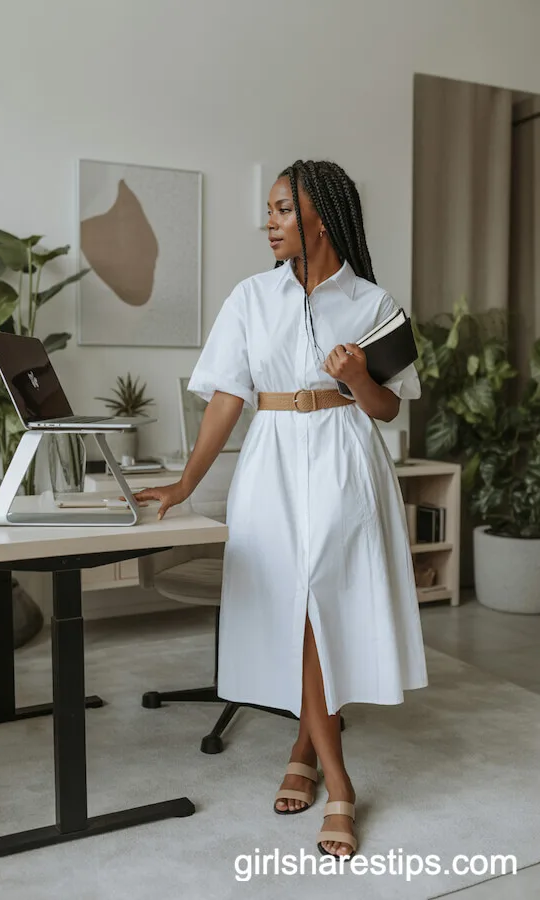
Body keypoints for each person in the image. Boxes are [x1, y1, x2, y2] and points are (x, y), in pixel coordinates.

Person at [131, 159, 428, 859]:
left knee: (320, 605)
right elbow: (227, 399)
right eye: (269, 210)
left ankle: (337, 781)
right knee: (293, 609)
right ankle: (308, 745)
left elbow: (388, 407)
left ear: (320, 216)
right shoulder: (250, 298)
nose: (269, 222)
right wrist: (182, 483)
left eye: (282, 210)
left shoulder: (374, 302)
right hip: (271, 461)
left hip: (345, 459)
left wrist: (357, 376)